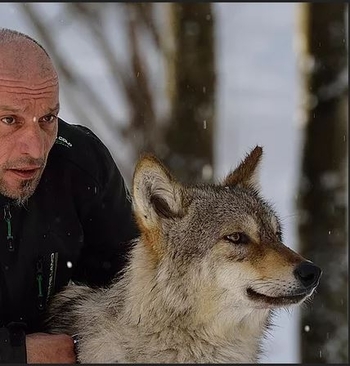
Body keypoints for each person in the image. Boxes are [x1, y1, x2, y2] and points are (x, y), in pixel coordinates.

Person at [0, 28, 139, 363]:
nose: (34, 148)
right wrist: (17, 354)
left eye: (48, 119)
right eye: (9, 120)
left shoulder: (81, 164)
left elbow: (135, 288)